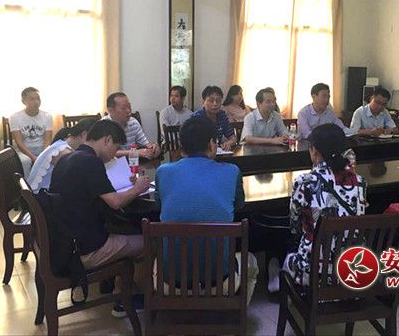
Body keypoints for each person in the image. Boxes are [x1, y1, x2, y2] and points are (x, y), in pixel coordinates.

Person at [49, 120, 152, 316]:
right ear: (107, 140)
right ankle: (126, 298)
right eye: (116, 148)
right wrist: (138, 188)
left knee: (126, 229)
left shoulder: (68, 158)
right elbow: (115, 202)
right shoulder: (91, 162)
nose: (115, 154)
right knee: (149, 240)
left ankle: (118, 286)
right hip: (84, 250)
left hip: (64, 241)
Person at [155, 117, 256, 303]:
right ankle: (234, 310)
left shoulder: (163, 172)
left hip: (172, 282)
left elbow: (159, 206)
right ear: (211, 144)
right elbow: (239, 205)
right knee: (251, 260)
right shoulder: (232, 171)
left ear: (181, 146)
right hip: (220, 281)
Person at [272, 124, 366, 289]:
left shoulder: (305, 182)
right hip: (353, 270)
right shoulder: (359, 182)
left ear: (314, 150)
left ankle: (277, 279)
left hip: (314, 271)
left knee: (288, 247)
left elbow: (294, 226)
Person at [28, 118, 96, 193]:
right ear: (84, 134)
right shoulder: (64, 152)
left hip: (38, 193)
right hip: (40, 196)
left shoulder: (61, 144)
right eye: (95, 140)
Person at [9, 87, 53, 178]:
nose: (36, 102)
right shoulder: (15, 117)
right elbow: (19, 142)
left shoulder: (47, 116)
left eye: (38, 99)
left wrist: (43, 155)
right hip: (24, 150)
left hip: (42, 148)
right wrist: (32, 157)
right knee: (25, 161)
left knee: (54, 158)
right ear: (24, 101)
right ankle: (28, 185)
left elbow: (48, 140)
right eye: (32, 99)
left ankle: (48, 184)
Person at [103, 92, 160, 159]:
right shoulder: (103, 125)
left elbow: (145, 144)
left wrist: (153, 147)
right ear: (111, 110)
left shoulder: (133, 122)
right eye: (123, 108)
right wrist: (134, 152)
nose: (128, 111)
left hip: (132, 163)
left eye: (129, 107)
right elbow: (105, 152)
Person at [191, 86, 237, 151]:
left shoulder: (222, 116)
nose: (215, 104)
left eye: (218, 101)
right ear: (203, 102)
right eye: (211, 100)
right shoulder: (196, 118)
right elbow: (191, 142)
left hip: (217, 152)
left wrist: (229, 143)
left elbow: (233, 138)